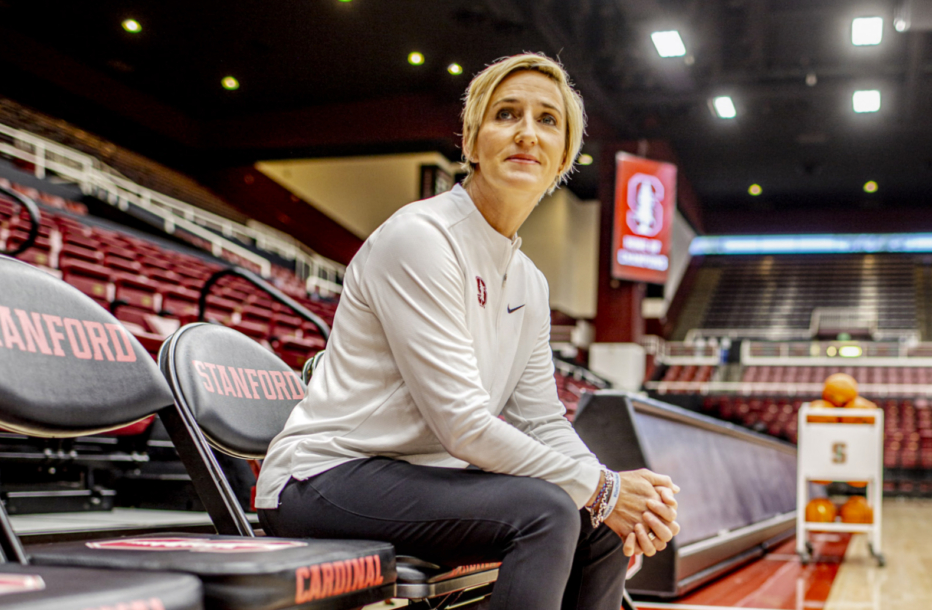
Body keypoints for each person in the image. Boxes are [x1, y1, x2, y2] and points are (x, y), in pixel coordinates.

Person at [255, 53, 681, 610]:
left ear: (564, 160)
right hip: (324, 477)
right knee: (551, 512)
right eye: (507, 114)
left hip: (423, 482)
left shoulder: (528, 280)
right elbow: (463, 426)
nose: (528, 133)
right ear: (472, 143)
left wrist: (613, 495)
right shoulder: (422, 237)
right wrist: (603, 490)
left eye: (548, 120)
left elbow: (543, 421)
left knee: (593, 526)